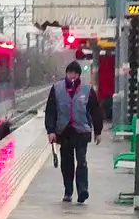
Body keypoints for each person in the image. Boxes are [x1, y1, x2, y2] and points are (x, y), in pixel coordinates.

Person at [45, 60, 104, 204]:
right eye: (70, 73)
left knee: (81, 161)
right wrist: (51, 130)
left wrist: (98, 131)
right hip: (64, 132)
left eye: (75, 73)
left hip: (81, 131)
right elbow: (51, 111)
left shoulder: (87, 90)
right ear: (66, 73)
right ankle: (68, 191)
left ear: (79, 75)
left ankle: (83, 190)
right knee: (67, 163)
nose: (72, 76)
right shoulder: (57, 89)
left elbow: (95, 110)